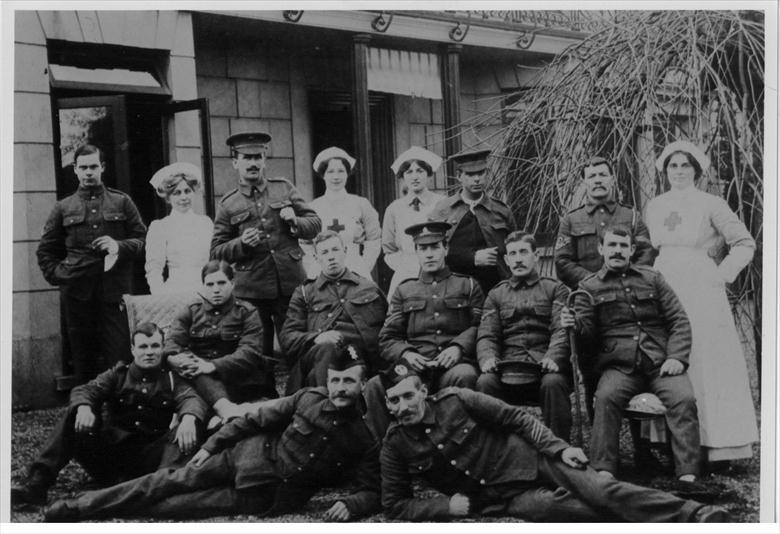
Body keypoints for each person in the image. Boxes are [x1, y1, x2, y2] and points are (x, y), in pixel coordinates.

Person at [43, 346, 381, 523]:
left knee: (169, 507)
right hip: (240, 458)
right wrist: (211, 446)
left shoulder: (365, 440)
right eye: (335, 380)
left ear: (362, 384)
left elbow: (372, 489)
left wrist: (351, 504)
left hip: (263, 497)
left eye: (348, 381)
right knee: (162, 482)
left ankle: (95, 511)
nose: (339, 388)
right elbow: (252, 419)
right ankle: (77, 508)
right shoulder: (308, 398)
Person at [378, 366, 729, 522]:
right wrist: (443, 507)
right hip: (503, 500)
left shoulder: (458, 399)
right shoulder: (394, 445)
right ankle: (653, 514)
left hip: (530, 460)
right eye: (393, 401)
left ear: (423, 391)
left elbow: (519, 419)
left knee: (600, 492)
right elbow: (394, 504)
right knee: (574, 512)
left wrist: (559, 449)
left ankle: (694, 515)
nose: (402, 406)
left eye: (408, 395)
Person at [645, 140, 758, 464]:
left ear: (695, 169)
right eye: (672, 166)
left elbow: (744, 242)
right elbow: (652, 248)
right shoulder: (655, 205)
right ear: (665, 171)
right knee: (671, 354)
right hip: (665, 281)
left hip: (701, 286)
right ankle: (671, 442)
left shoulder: (712, 203)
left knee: (706, 358)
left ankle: (718, 445)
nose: (679, 171)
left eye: (685, 165)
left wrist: (721, 274)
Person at [11, 323, 207, 507]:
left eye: (155, 346)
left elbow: (191, 398)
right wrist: (84, 407)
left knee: (189, 425)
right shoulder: (118, 374)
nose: (149, 352)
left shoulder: (171, 378)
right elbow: (86, 390)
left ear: (163, 348)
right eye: (143, 346)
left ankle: (163, 488)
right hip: (111, 458)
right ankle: (37, 484)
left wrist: (188, 417)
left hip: (149, 461)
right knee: (75, 412)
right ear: (133, 350)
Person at [563, 225, 702, 484]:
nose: (617, 251)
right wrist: (575, 324)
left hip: (659, 361)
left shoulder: (653, 278)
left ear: (632, 250)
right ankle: (603, 471)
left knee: (684, 399)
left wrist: (676, 357)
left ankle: (688, 474)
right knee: (606, 398)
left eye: (623, 246)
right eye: (612, 245)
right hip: (618, 365)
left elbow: (678, 320)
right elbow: (587, 334)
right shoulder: (588, 287)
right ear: (601, 249)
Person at [554, 156, 655, 420]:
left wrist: (623, 282)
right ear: (584, 182)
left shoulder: (630, 216)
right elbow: (562, 262)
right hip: (588, 306)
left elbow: (645, 255)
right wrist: (595, 284)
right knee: (591, 369)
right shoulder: (571, 220)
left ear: (612, 179)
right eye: (592, 176)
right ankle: (599, 428)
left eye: (602, 174)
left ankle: (640, 444)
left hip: (628, 304)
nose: (597, 180)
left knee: (634, 368)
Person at [36, 143, 147, 383]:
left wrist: (119, 246)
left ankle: (117, 417)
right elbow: (45, 250)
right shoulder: (63, 207)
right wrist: (62, 275)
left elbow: (142, 239)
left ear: (102, 168)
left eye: (93, 166)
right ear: (75, 170)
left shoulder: (122, 202)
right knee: (83, 362)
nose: (89, 172)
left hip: (114, 294)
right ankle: (87, 415)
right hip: (77, 296)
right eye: (83, 167)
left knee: (119, 359)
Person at [363, 221, 484, 438]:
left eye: (435, 247)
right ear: (416, 252)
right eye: (423, 248)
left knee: (465, 376)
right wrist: (407, 353)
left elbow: (481, 326)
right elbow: (387, 338)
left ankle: (459, 446)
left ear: (446, 249)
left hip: (452, 366)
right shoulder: (404, 290)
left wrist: (458, 347)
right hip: (414, 369)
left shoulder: (468, 285)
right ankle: (385, 452)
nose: (429, 254)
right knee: (375, 386)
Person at [210, 131, 321, 359]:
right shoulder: (228, 204)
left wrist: (295, 221)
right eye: (246, 158)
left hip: (290, 284)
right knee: (259, 350)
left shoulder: (284, 188)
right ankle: (265, 392)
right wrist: (241, 244)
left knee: (297, 344)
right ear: (235, 163)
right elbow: (216, 252)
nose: (253, 163)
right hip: (252, 290)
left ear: (264, 160)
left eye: (257, 157)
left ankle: (301, 390)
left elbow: (315, 224)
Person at [476, 231, 572, 439]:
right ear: (506, 260)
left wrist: (554, 357)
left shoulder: (555, 289)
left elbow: (561, 329)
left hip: (544, 369)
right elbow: (487, 335)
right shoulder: (496, 294)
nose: (518, 259)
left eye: (523, 252)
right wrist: (488, 357)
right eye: (513, 254)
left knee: (554, 383)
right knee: (485, 382)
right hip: (508, 370)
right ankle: (497, 449)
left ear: (536, 256)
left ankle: (559, 450)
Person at [165, 260, 276, 422]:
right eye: (209, 284)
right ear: (203, 286)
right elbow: (171, 342)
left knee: (199, 372)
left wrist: (212, 366)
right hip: (199, 377)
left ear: (232, 284)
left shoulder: (247, 312)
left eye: (221, 283)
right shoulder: (191, 311)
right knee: (195, 371)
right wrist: (177, 359)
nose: (216, 289)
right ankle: (222, 411)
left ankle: (218, 413)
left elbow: (249, 352)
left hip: (238, 378)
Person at [281, 231, 387, 394]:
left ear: (345, 251)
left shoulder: (368, 288)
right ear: (316, 257)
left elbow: (388, 331)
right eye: (324, 252)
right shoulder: (305, 292)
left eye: (335, 250)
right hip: (320, 361)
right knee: (327, 349)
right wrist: (316, 338)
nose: (331, 257)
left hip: (363, 361)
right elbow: (288, 338)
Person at [428, 148, 516, 294]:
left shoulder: (501, 211)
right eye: (470, 174)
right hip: (452, 291)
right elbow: (431, 253)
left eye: (481, 173)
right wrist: (472, 258)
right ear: (459, 176)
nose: (477, 179)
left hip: (496, 289)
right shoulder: (442, 211)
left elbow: (514, 248)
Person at [302, 147, 381, 280]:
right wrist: (314, 267)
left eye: (341, 171)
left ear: (347, 173)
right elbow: (305, 244)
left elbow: (374, 240)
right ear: (323, 174)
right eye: (330, 171)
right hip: (321, 269)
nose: (336, 177)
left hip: (355, 267)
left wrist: (364, 267)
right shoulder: (313, 207)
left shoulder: (361, 204)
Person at [382, 146, 446, 298]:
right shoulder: (394, 209)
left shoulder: (442, 203)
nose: (415, 177)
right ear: (403, 176)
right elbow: (389, 248)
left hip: (439, 271)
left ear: (429, 175)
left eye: (420, 171)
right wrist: (406, 268)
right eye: (409, 172)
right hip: (406, 276)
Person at [145, 162, 213, 294]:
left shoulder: (205, 223)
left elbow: (215, 260)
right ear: (168, 198)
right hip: (175, 292)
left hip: (206, 291)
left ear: (194, 193)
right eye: (177, 193)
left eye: (187, 191)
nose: (183, 197)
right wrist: (160, 296)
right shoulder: (160, 227)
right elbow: (154, 269)